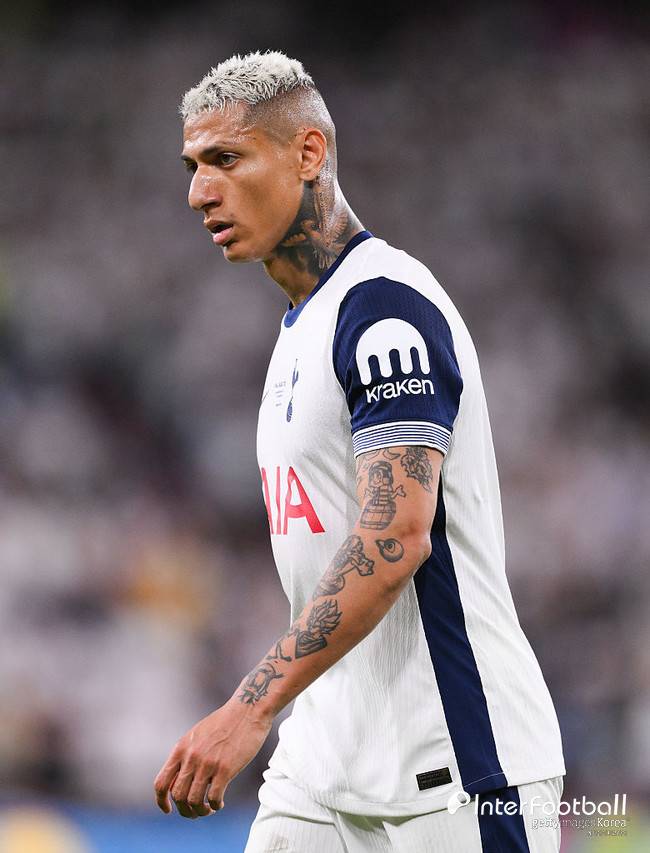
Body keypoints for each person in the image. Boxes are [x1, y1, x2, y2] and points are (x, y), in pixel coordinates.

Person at [154, 49, 566, 852]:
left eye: (226, 159)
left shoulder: (383, 310)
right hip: (323, 762)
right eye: (193, 166)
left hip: (455, 762)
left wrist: (248, 707)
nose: (199, 191)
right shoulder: (302, 325)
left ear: (308, 153)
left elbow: (394, 536)